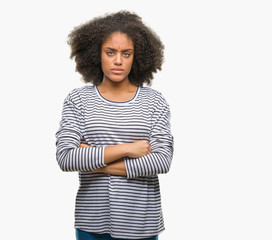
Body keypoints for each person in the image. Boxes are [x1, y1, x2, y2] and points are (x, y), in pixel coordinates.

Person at [55, 10, 174, 240]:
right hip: (92, 222)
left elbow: (162, 160)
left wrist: (93, 161)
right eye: (110, 52)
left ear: (136, 57)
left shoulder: (154, 102)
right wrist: (128, 149)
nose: (118, 60)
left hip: (141, 223)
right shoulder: (78, 100)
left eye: (126, 53)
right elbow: (66, 157)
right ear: (96, 54)